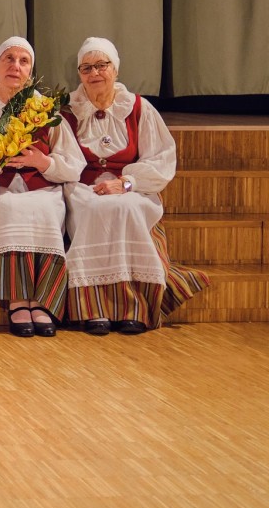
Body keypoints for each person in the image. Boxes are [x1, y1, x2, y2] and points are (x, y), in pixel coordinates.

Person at [63, 37, 210, 335]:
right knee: (93, 209)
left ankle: (135, 307)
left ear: (115, 69)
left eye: (101, 65)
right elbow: (62, 157)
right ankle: (93, 308)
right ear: (79, 74)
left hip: (130, 186)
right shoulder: (67, 111)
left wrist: (126, 183)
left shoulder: (138, 108)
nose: (94, 73)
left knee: (128, 208)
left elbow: (161, 158)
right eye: (86, 68)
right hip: (82, 187)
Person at [0, 36, 86, 337]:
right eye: (9, 59)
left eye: (24, 61)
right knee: (8, 207)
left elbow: (74, 163)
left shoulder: (44, 109)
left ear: (30, 71)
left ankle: (42, 300)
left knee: (44, 209)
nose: (15, 66)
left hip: (41, 187)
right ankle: (18, 299)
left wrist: (43, 162)